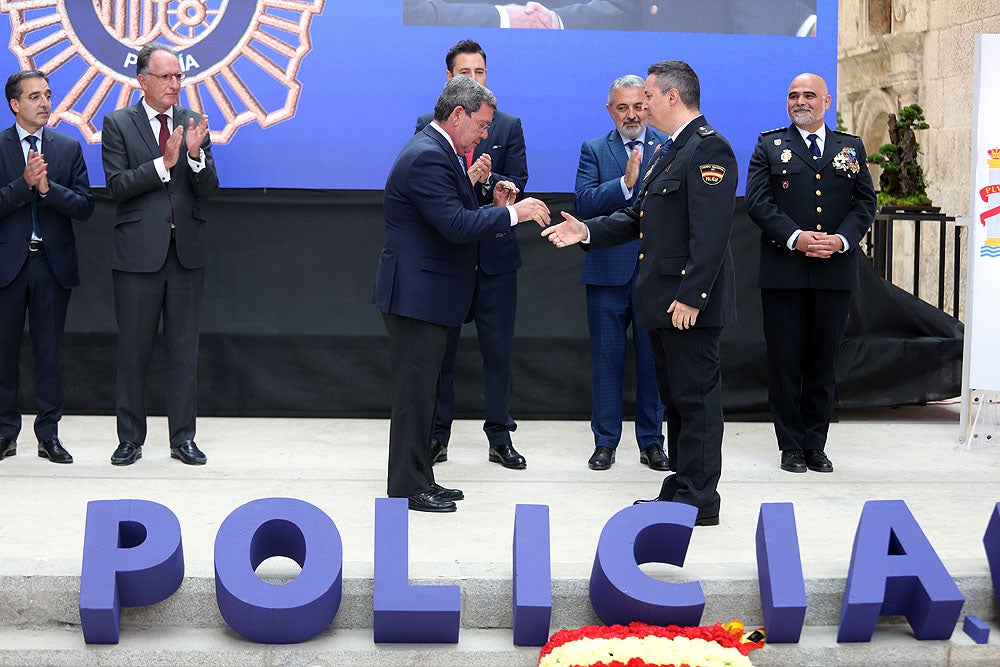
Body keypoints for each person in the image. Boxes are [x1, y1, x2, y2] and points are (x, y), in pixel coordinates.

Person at [542, 60, 736, 526]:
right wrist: (585, 232)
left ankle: (701, 498)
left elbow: (709, 236)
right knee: (676, 399)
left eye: (648, 95)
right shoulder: (669, 151)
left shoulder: (710, 150)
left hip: (687, 305)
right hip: (666, 305)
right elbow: (637, 218)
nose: (643, 104)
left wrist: (692, 296)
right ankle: (682, 485)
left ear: (672, 97)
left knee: (697, 400)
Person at [374, 76, 549, 512]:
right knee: (415, 398)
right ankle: (408, 487)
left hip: (427, 293)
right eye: (482, 124)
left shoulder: (440, 152)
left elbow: (450, 213)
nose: (486, 133)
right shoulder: (428, 157)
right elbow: (453, 225)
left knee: (424, 393)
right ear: (457, 115)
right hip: (417, 295)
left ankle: (421, 477)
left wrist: (483, 198)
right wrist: (513, 213)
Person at [744, 72, 876, 474]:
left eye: (808, 95)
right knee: (785, 362)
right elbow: (758, 202)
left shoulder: (849, 147)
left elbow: (865, 202)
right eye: (792, 95)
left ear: (827, 101)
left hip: (834, 272)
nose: (799, 101)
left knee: (823, 363)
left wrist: (840, 241)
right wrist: (796, 237)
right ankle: (790, 446)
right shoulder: (770, 145)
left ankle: (815, 444)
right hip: (785, 270)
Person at [414, 40, 529, 470]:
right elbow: (430, 184)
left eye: (481, 72)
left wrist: (487, 179)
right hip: (451, 260)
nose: (475, 80)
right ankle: (437, 436)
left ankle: (500, 437)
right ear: (449, 79)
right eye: (466, 73)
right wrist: (465, 175)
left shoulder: (505, 124)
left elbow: (518, 179)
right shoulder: (429, 126)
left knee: (498, 354)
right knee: (441, 354)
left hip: (497, 260)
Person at [102, 44, 219, 466]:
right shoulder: (117, 123)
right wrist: (163, 164)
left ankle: (182, 438)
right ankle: (130, 438)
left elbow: (209, 189)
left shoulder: (191, 122)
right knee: (133, 349)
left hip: (185, 252)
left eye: (178, 77)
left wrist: (193, 156)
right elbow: (116, 186)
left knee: (184, 350)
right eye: (166, 77)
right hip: (137, 253)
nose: (175, 84)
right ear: (143, 80)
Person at [0, 70, 94, 465]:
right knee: (4, 354)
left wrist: (46, 189)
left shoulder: (68, 147)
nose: (44, 103)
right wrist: (23, 186)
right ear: (15, 104)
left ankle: (49, 435)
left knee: (49, 354)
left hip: (51, 266)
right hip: (7, 266)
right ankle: (5, 434)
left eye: (48, 95)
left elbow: (85, 207)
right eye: (35, 96)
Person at [574, 74, 666, 471]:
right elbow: (584, 203)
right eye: (622, 107)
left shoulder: (669, 145)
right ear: (610, 110)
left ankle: (652, 442)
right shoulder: (594, 149)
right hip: (606, 272)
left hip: (654, 274)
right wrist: (625, 184)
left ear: (649, 105)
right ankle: (605, 443)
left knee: (653, 362)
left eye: (638, 105)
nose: (631, 114)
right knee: (607, 361)